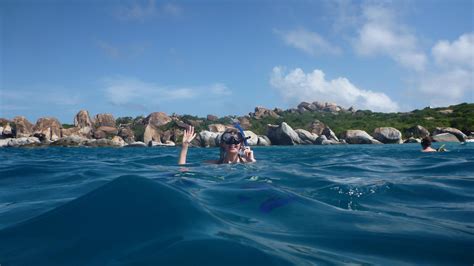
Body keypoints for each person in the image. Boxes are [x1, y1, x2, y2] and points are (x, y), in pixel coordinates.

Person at [178, 126, 256, 165]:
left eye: (236, 138)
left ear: (241, 144)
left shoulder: (248, 163)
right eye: (227, 138)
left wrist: (251, 163)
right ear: (222, 144)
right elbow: (183, 171)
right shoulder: (213, 164)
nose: (232, 142)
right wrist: (185, 147)